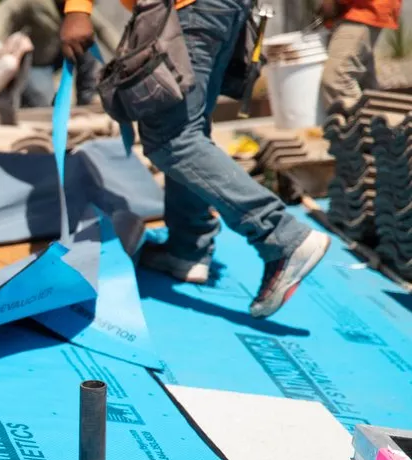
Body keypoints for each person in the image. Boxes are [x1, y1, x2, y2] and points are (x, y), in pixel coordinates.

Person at [60, 0, 332, 318]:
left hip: (191, 9)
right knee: (190, 127)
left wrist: (77, 9)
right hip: (219, 9)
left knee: (172, 139)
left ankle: (281, 235)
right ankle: (187, 248)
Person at [0, 0, 100, 107]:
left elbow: (102, 29)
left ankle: (87, 96)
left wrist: (117, 52)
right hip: (35, 63)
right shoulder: (37, 3)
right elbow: (5, 10)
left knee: (85, 41)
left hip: (58, 57)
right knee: (44, 103)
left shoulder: (78, 5)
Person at [319, 0, 402, 109]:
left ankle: (361, 122)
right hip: (358, 10)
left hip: (363, 9)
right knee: (364, 83)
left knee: (337, 77)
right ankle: (376, 118)